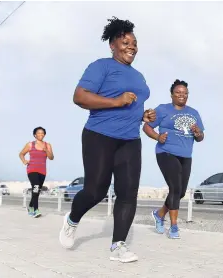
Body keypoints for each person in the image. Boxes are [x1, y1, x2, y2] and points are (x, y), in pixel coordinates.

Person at [59, 17, 156, 263]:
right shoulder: (101, 66)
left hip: (131, 139)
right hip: (99, 136)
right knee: (95, 190)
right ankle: (72, 220)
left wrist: (142, 114)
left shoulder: (139, 76)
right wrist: (116, 101)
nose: (131, 46)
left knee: (127, 193)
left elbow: (131, 103)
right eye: (125, 42)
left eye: (134, 42)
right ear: (112, 44)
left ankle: (118, 246)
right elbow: (79, 97)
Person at [143, 79, 204, 239]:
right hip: (166, 152)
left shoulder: (194, 113)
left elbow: (200, 137)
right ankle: (174, 227)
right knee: (175, 187)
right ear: (172, 95)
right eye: (178, 92)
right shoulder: (163, 109)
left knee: (180, 192)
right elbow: (147, 126)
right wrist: (157, 136)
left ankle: (159, 214)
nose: (182, 95)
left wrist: (198, 132)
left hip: (186, 155)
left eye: (185, 93)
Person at [19, 127, 54, 218]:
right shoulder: (30, 144)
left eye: (42, 133)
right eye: (38, 133)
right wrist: (24, 161)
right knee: (36, 187)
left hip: (42, 171)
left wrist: (46, 150)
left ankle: (30, 206)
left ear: (44, 134)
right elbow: (21, 154)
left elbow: (51, 157)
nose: (41, 134)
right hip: (32, 169)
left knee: (37, 190)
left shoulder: (48, 145)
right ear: (35, 135)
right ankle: (36, 210)